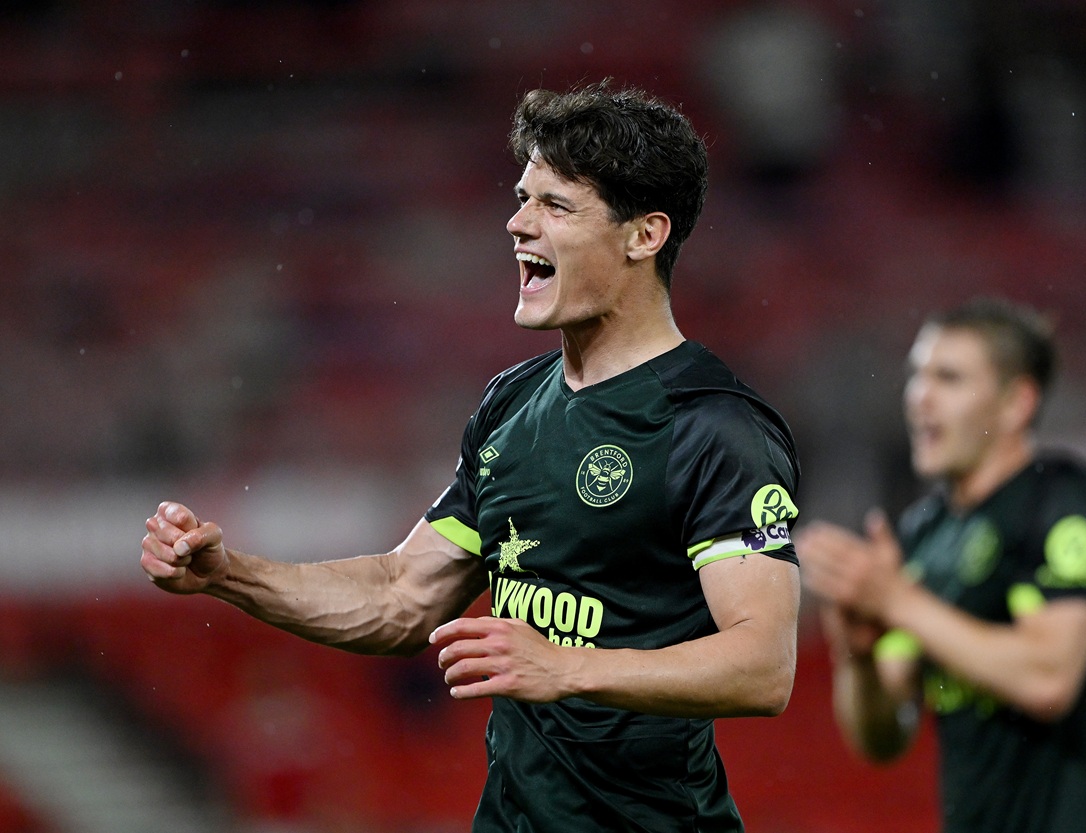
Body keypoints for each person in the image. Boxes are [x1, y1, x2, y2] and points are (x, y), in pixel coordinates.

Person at [140, 79, 802, 832]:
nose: (517, 223)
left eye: (556, 205)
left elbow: (763, 665)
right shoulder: (511, 404)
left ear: (644, 235)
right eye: (522, 199)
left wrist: (568, 666)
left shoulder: (713, 426)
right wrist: (228, 574)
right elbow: (402, 596)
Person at [795, 297, 1086, 833]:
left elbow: (1049, 679)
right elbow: (882, 739)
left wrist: (897, 601)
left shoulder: (1062, 502)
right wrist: (858, 656)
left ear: (1016, 404)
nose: (920, 397)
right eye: (917, 376)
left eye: (949, 378)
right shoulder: (925, 533)